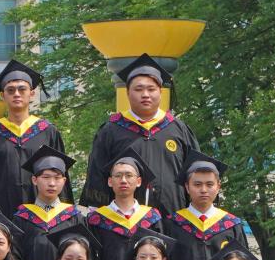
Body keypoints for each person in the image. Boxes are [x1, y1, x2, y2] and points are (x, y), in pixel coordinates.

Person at [81, 55, 201, 213]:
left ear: (160, 92)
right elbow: (97, 176)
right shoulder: (110, 130)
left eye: (151, 89)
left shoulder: (178, 129)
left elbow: (196, 174)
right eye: (138, 89)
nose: (145, 94)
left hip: (174, 217)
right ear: (127, 93)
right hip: (125, 220)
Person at [0, 60, 66, 216]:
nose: (16, 94)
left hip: (41, 216)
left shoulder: (47, 131)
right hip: (1, 214)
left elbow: (60, 174)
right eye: (10, 90)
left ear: (32, 94)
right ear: (3, 95)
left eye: (22, 89)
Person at [164, 157, 259, 260]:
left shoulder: (231, 224)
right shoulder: (173, 224)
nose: (203, 190)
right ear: (187, 187)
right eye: (197, 184)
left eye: (209, 184)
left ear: (218, 186)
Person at [85, 155, 165, 260]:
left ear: (138, 181)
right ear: (110, 181)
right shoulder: (96, 219)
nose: (123, 180)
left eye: (129, 175)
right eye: (118, 176)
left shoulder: (152, 217)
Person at [13, 151, 92, 260]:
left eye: (57, 178)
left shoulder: (74, 217)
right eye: (46, 177)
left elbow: (85, 256)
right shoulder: (22, 217)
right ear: (34, 180)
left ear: (64, 181)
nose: (52, 183)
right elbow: (13, 257)